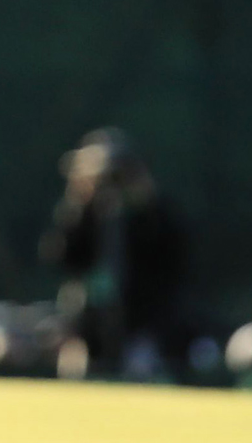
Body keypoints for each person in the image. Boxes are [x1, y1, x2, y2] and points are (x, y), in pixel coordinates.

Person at [39, 128, 187, 380]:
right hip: (88, 318)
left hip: (141, 318)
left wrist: (146, 203)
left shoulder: (150, 216)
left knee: (141, 368)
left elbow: (175, 257)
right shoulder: (84, 214)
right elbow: (59, 256)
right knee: (74, 366)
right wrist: (77, 202)